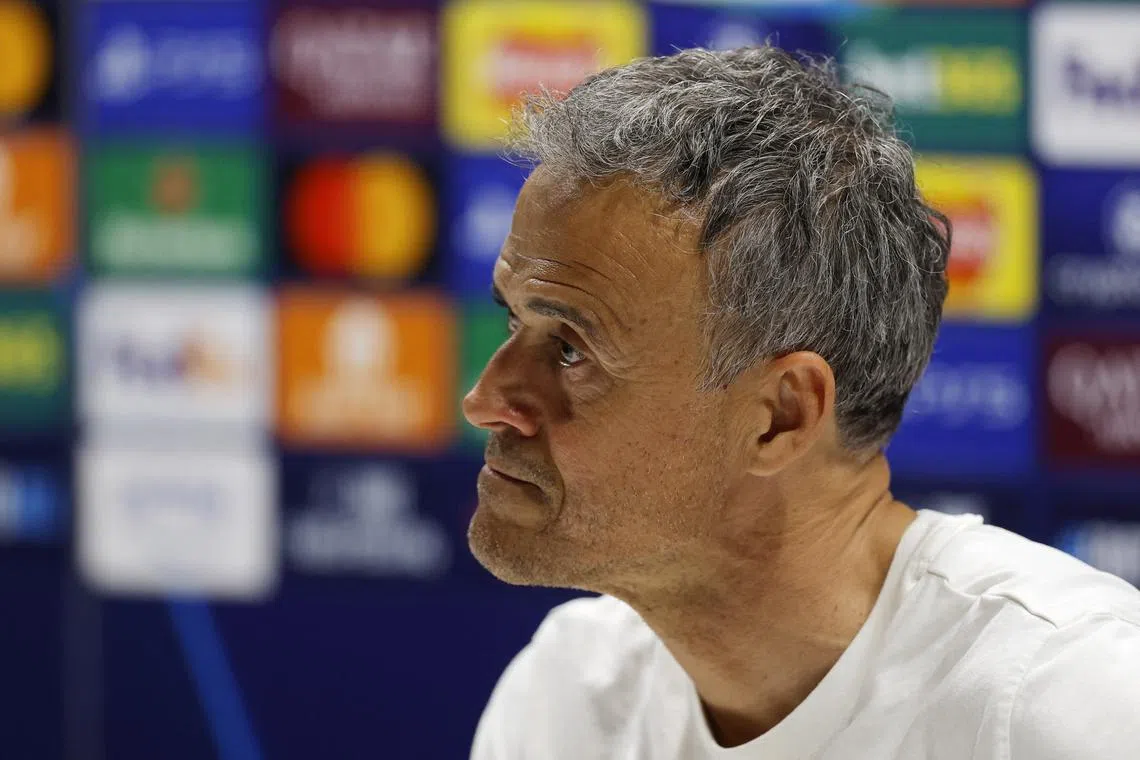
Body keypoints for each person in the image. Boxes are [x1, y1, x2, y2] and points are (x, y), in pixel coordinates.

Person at [461, 45, 1140, 759]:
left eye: (571, 351)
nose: (483, 400)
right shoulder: (569, 697)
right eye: (513, 322)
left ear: (781, 415)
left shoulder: (1070, 703)